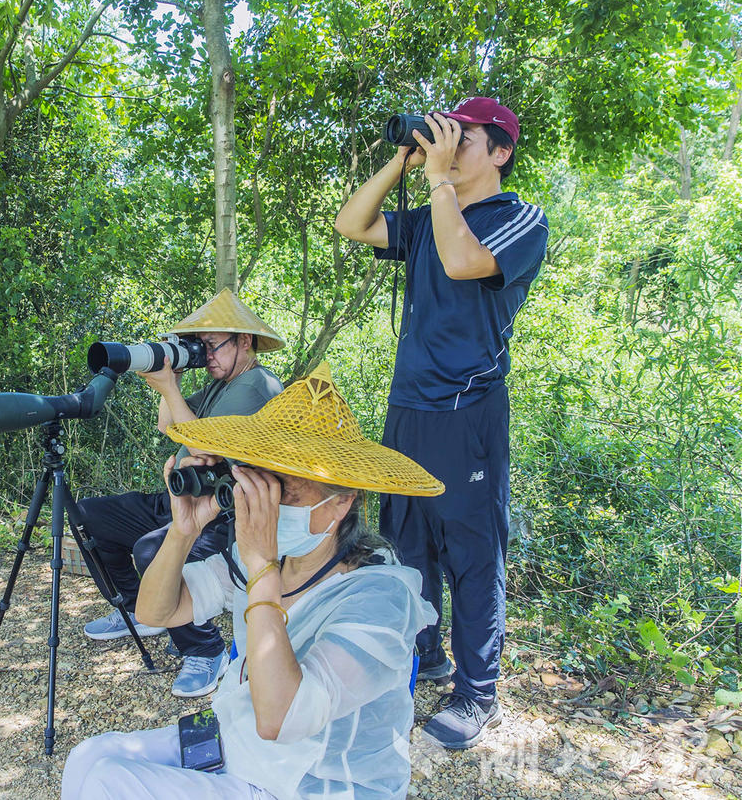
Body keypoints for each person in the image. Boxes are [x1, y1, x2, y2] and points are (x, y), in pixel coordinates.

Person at [62, 362, 443, 800]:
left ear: (341, 504)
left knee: (109, 782)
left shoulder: (380, 595)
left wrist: (261, 563)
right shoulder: (269, 561)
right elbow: (155, 611)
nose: (266, 503)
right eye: (260, 480)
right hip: (238, 743)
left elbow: (281, 718)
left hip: (312, 785)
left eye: (286, 488)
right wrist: (183, 531)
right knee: (88, 757)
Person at [333, 97, 549, 748]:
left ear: (501, 151)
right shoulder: (430, 216)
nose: (449, 146)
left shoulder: (519, 218)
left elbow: (463, 263)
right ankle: (423, 656)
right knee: (407, 546)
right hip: (408, 410)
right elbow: (351, 222)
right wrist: (405, 156)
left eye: (464, 137)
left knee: (473, 553)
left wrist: (438, 180)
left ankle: (477, 694)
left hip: (466, 412)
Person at [79, 288, 284, 698]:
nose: (205, 355)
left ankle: (205, 648)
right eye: (201, 347)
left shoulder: (256, 386)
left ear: (245, 342)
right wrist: (170, 375)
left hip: (226, 513)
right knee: (90, 515)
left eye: (212, 346)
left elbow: (203, 448)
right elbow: (166, 424)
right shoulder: (219, 380)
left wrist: (170, 389)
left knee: (151, 551)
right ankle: (142, 609)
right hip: (186, 495)